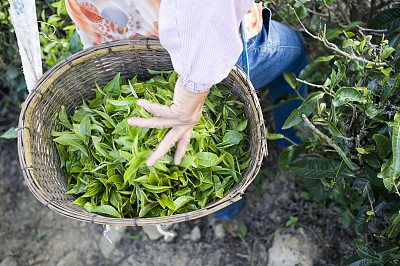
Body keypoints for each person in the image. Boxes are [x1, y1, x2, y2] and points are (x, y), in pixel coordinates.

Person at [65, 0, 308, 220]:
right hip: (207, 48)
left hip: (119, 43)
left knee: (192, 160)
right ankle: (294, 146)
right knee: (296, 50)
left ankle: (228, 212)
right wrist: (192, 93)